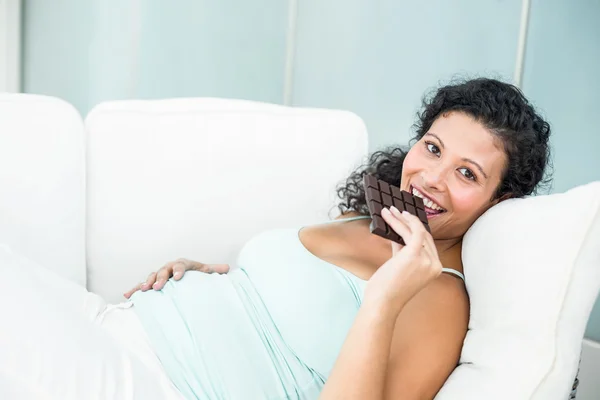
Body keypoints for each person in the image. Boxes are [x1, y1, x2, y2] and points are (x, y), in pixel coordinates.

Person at [0, 77, 551, 400]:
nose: (432, 176)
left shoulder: (440, 295)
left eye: (467, 173)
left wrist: (385, 297)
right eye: (432, 148)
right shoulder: (366, 219)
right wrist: (214, 274)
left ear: (498, 204)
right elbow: (288, 311)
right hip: (119, 324)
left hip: (163, 383)